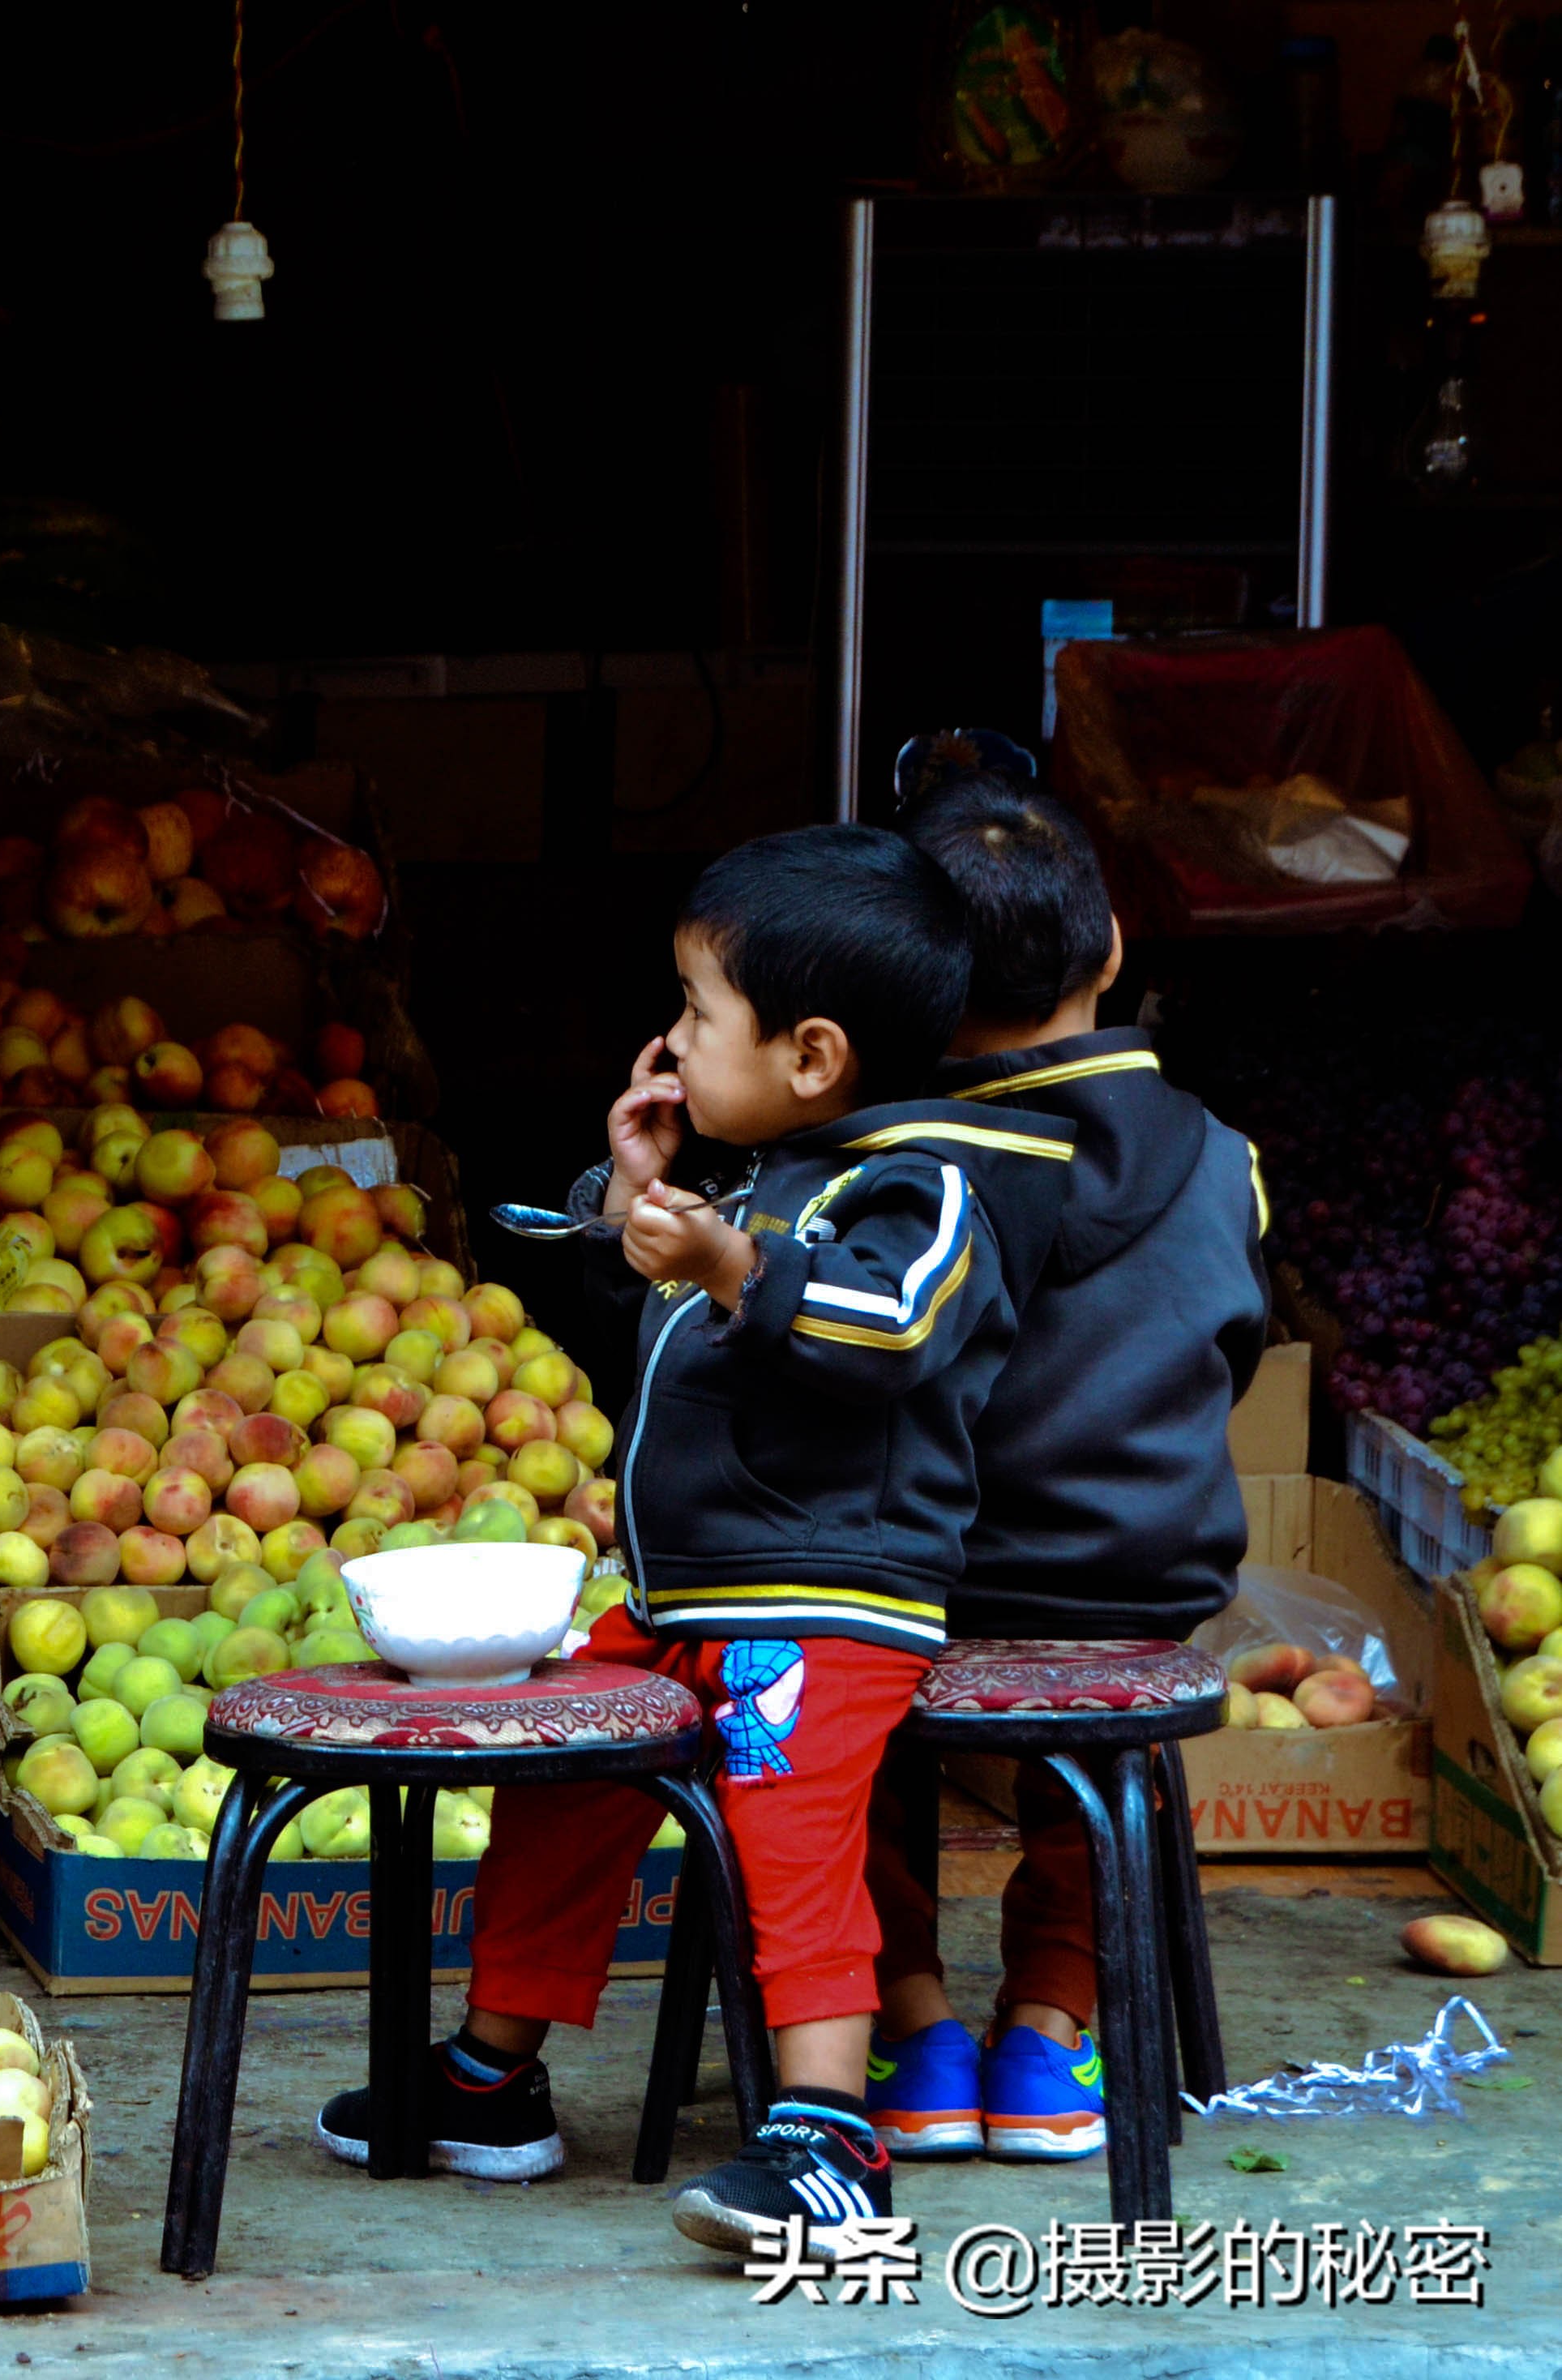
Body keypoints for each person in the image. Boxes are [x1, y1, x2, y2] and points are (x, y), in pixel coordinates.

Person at [315, 824, 1072, 2258]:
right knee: (555, 1765)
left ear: (812, 1055)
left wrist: (731, 1258)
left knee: (788, 1822)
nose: (666, 1040)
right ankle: (491, 2075)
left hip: (828, 1599)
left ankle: (829, 2136)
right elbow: (662, 1353)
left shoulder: (921, 1187)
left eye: (696, 1012)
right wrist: (630, 1210)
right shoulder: (761, 1180)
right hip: (686, 1596)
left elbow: (892, 1327)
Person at [859, 780, 1270, 2163]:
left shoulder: (893, 1163)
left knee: (831, 1708)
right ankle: (1046, 2034)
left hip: (925, 1588)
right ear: (1109, 951)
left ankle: (909, 2026)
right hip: (1137, 1586)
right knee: (1103, 1758)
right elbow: (1233, 1352)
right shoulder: (1225, 1161)